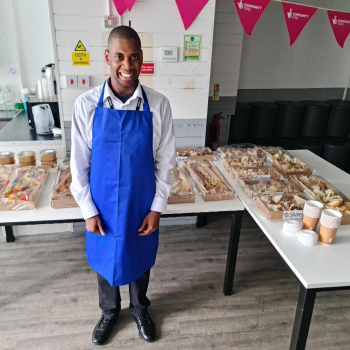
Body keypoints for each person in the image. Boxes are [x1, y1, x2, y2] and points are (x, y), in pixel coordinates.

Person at [70, 25, 176, 345]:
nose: (126, 66)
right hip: (101, 203)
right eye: (119, 57)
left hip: (140, 203)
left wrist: (157, 207)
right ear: (107, 57)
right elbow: (79, 165)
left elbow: (166, 162)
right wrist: (87, 209)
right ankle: (109, 311)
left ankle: (140, 308)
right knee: (105, 260)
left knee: (138, 256)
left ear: (142, 58)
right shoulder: (86, 105)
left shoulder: (158, 105)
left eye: (133, 57)